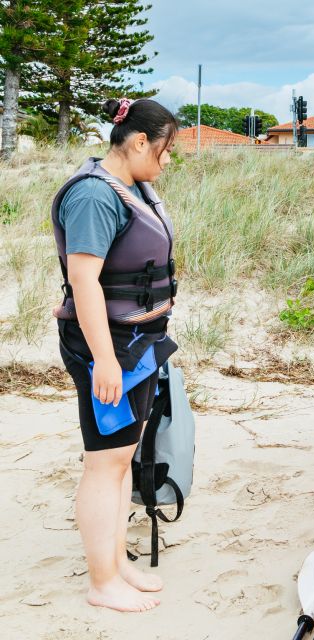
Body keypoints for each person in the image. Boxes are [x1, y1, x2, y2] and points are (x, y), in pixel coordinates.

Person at [53, 98, 179, 611]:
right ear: (140, 141)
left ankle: (116, 561)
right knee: (104, 462)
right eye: (166, 149)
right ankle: (101, 582)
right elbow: (83, 280)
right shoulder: (93, 197)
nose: (168, 161)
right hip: (106, 348)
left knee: (124, 455)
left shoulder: (131, 188)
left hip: (138, 343)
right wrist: (104, 359)